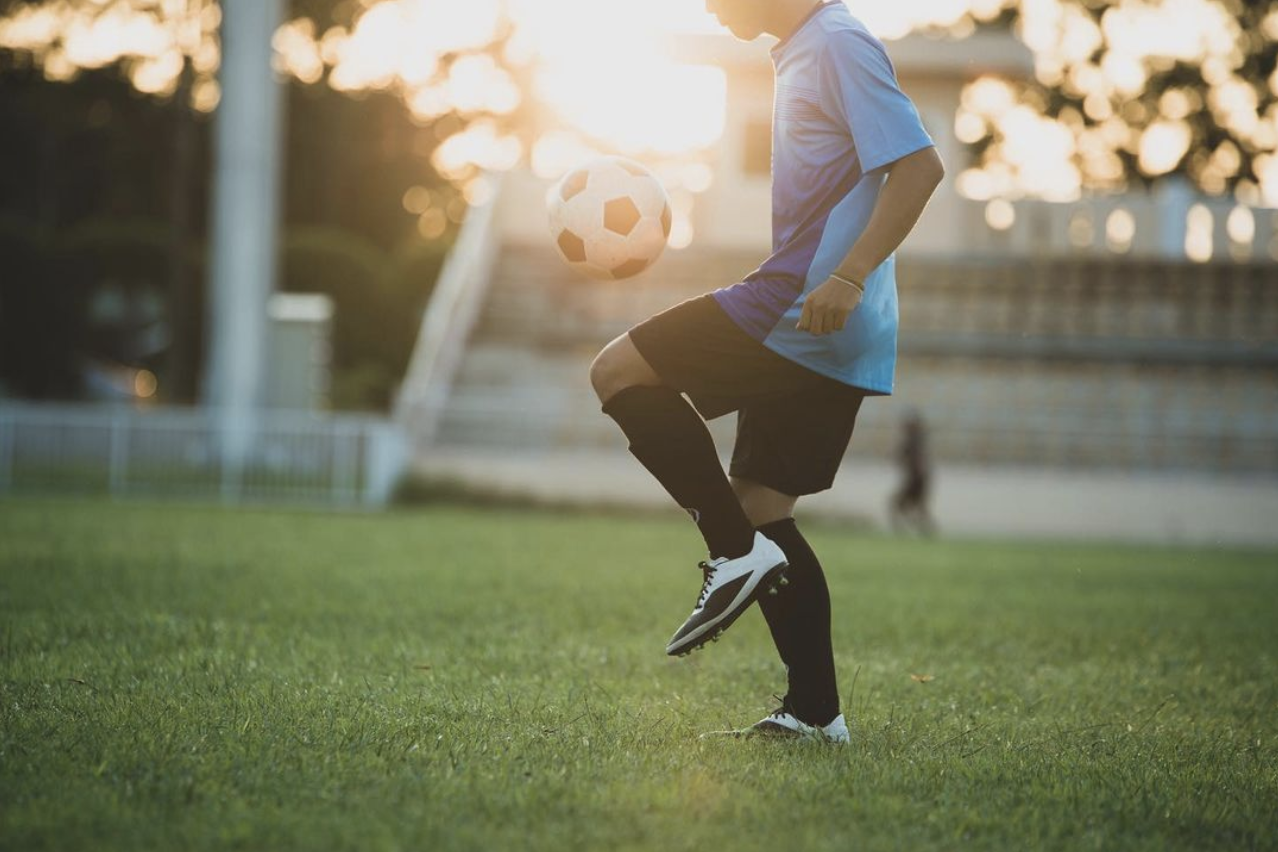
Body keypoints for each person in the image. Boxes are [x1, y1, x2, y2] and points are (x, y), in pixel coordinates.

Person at [589, 0, 944, 742]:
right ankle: (816, 713)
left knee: (617, 372)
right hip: (833, 324)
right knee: (762, 503)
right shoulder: (803, 46)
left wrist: (846, 276)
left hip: (803, 307)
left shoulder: (839, 43)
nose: (712, 6)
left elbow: (919, 166)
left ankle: (731, 551)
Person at [890, 410, 937, 536]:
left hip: (916, 479)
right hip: (918, 478)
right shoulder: (917, 439)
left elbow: (907, 458)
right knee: (914, 507)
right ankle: (925, 530)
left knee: (900, 504)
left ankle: (914, 530)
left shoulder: (914, 440)